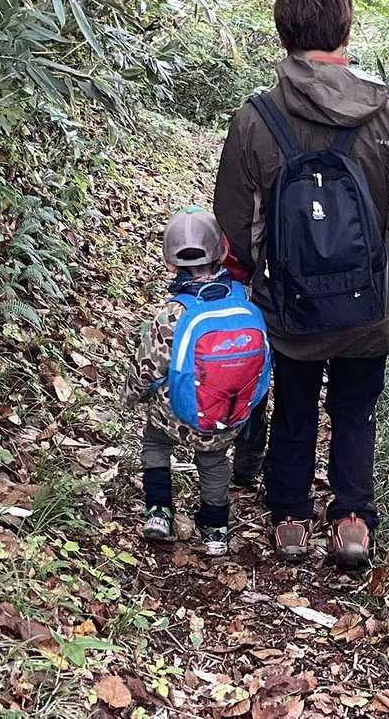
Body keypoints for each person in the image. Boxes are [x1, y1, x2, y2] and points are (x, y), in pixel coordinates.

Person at [213, 0, 389, 567]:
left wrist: (265, 269)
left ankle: (290, 520)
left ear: (282, 32)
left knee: (293, 406)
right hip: (370, 304)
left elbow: (236, 226)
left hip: (291, 308)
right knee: (355, 409)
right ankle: (351, 522)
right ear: (346, 29)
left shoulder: (256, 118)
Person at [125, 208, 272, 556]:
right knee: (214, 462)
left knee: (155, 443)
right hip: (224, 412)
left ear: (169, 262)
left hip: (175, 413)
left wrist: (132, 395)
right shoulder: (243, 299)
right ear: (223, 251)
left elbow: (149, 366)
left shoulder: (173, 313)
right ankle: (215, 529)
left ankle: (159, 512)